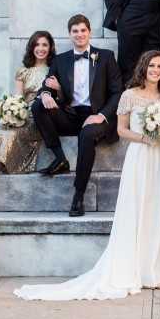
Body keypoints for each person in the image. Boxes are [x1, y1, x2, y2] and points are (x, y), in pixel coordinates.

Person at [14, 51, 160, 300]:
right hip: (140, 156)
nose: (155, 70)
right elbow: (122, 130)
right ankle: (138, 271)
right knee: (139, 211)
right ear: (143, 68)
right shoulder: (129, 95)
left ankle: (158, 271)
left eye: (159, 66)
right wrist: (146, 137)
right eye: (151, 65)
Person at [32, 14, 123, 216]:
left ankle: (78, 195)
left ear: (89, 32)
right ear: (70, 34)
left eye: (83, 30)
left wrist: (102, 116)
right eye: (75, 31)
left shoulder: (106, 56)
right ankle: (60, 159)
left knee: (87, 135)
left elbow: (118, 91)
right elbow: (46, 84)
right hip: (70, 115)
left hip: (95, 115)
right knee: (38, 106)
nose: (79, 34)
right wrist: (46, 94)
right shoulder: (60, 60)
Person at [0, 31, 56, 192]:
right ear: (32, 47)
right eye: (37, 44)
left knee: (10, 136)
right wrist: (13, 113)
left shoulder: (54, 69)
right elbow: (19, 98)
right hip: (23, 115)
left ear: (50, 47)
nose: (41, 48)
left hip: (40, 118)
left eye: (45, 45)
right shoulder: (23, 71)